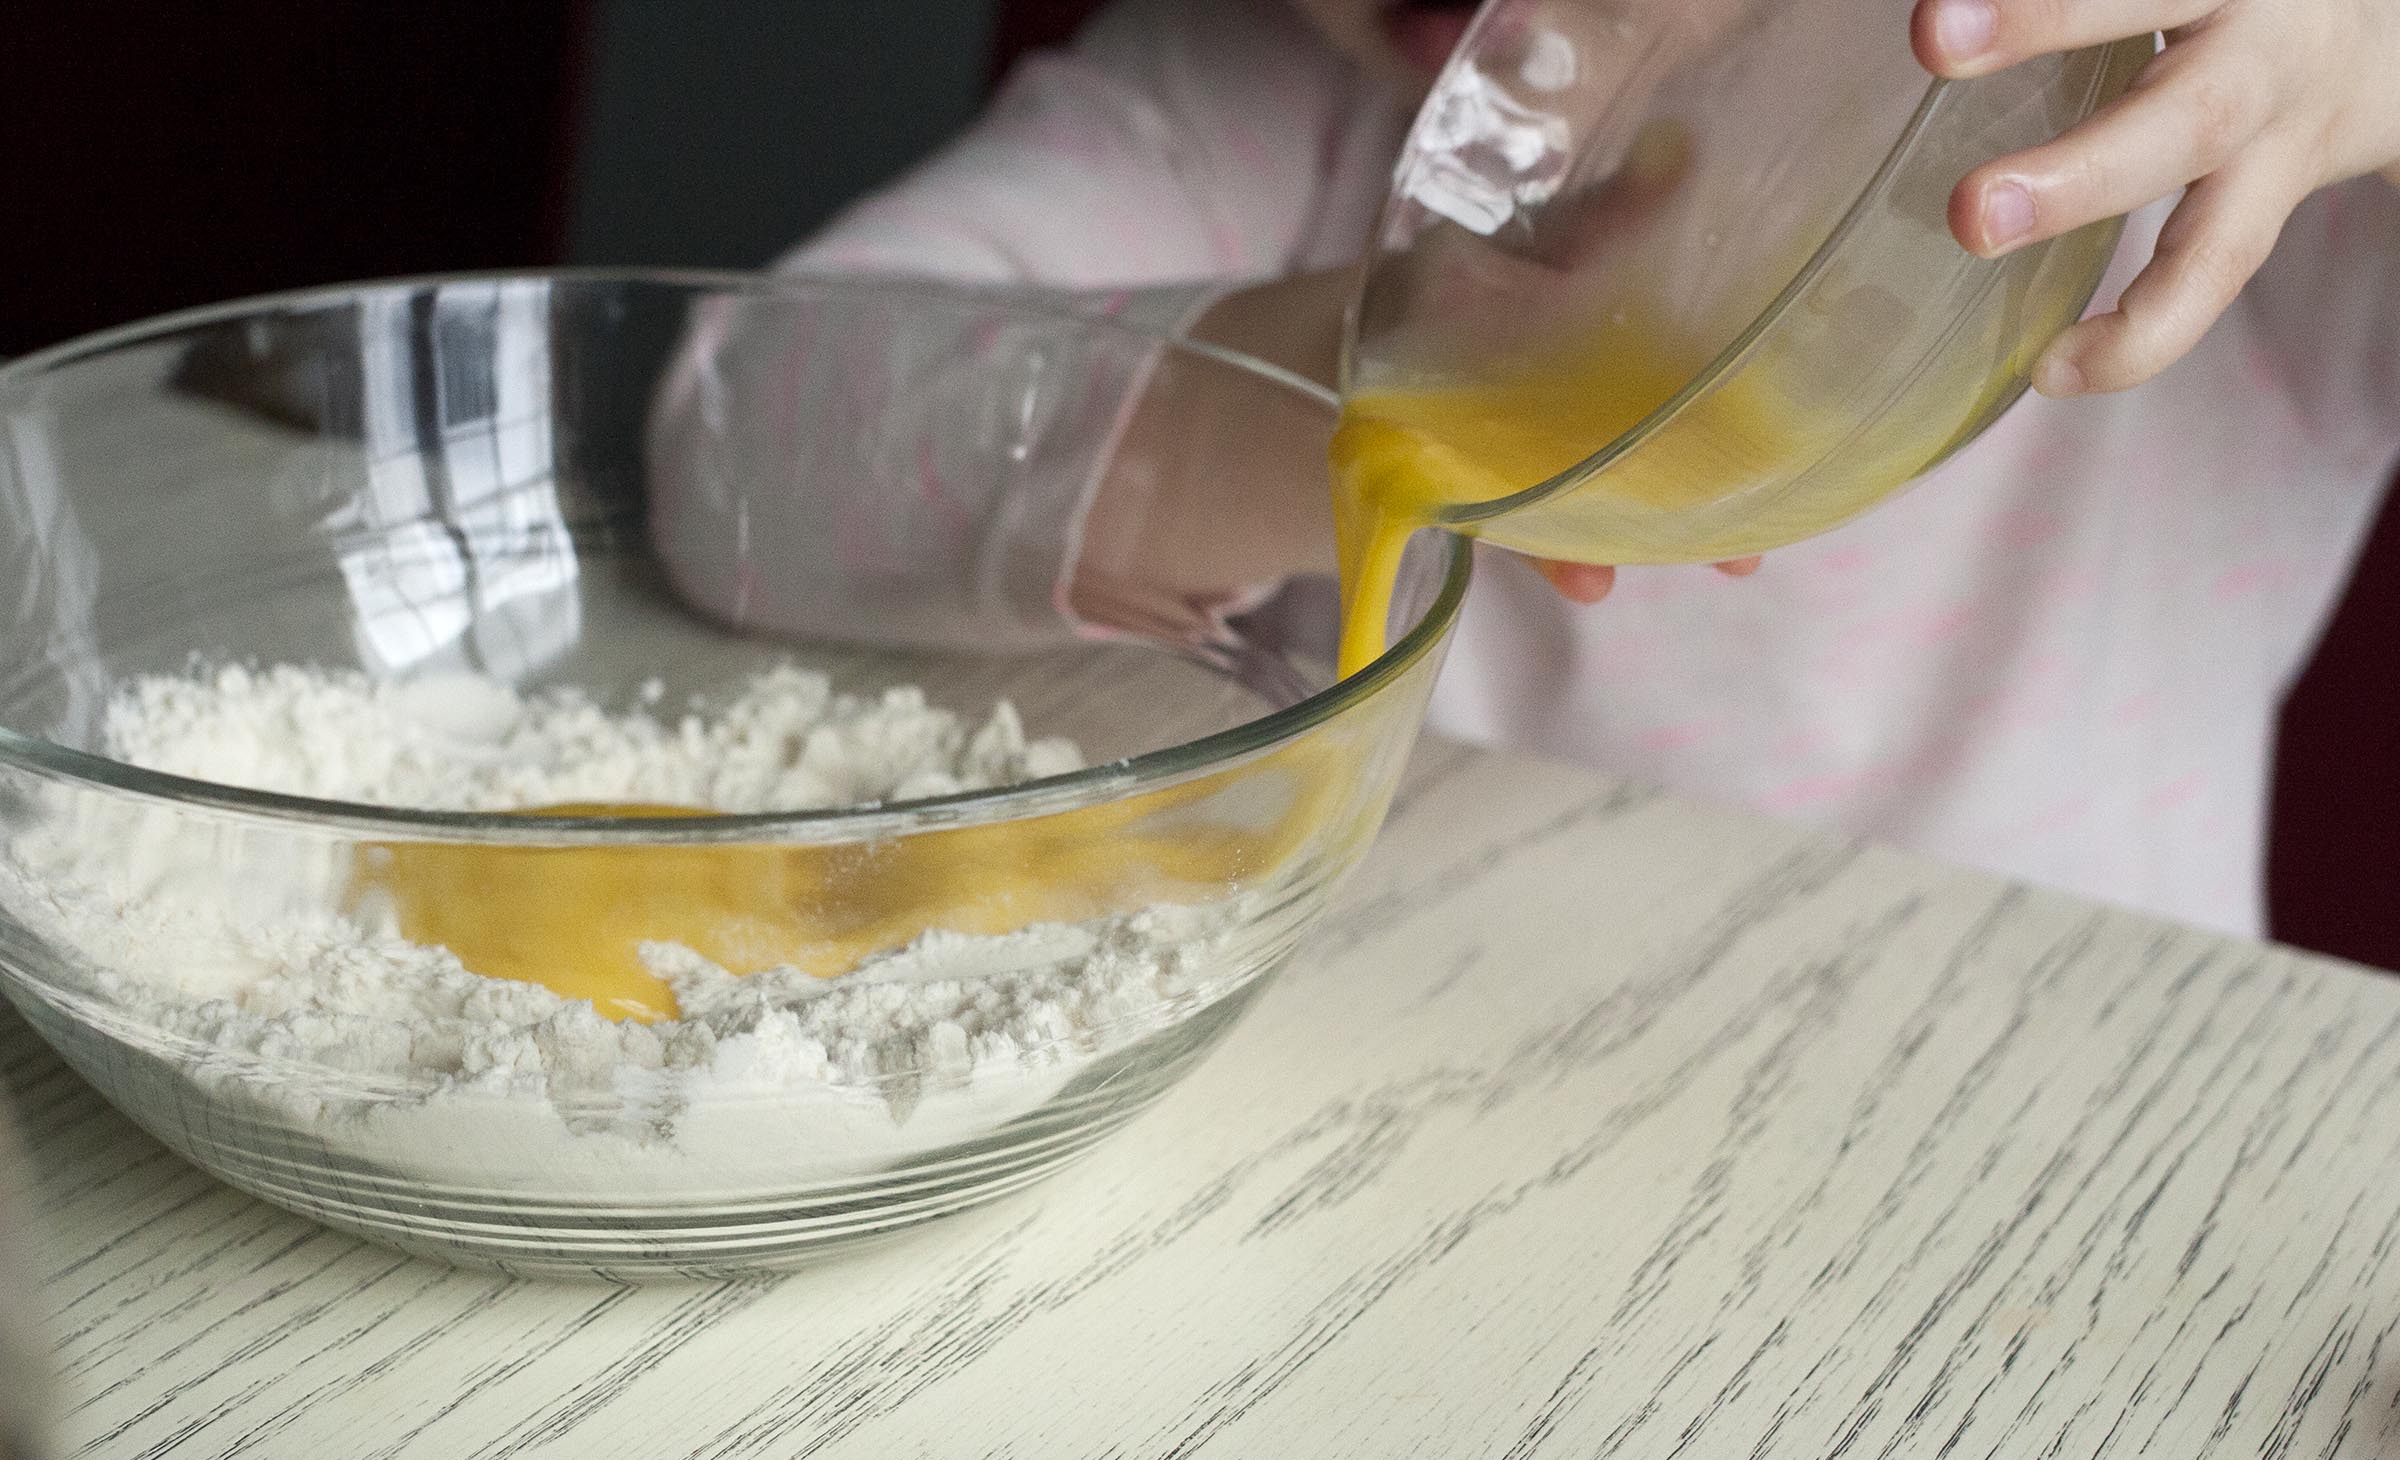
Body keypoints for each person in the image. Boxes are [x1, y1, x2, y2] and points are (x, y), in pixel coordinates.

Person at [656, 0, 2400, 940]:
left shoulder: (2211, 144)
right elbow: (734, 443)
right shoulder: (1266, 91)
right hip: (1417, 1090)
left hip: (2060, 1155)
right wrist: (1350, 379)